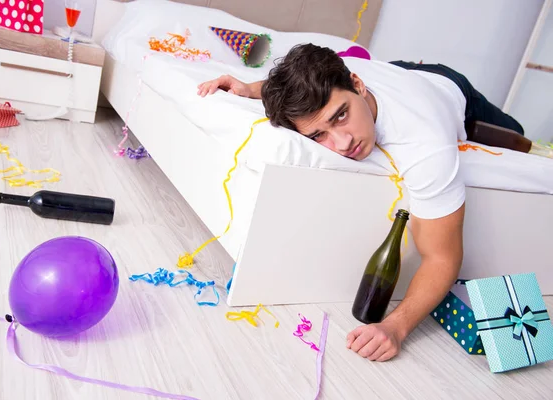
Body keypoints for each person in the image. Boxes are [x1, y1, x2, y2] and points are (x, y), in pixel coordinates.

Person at [196, 44, 525, 362]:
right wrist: (249, 88)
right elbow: (288, 87)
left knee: (517, 133)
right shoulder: (329, 80)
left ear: (358, 85)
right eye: (318, 136)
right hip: (398, 72)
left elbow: (442, 257)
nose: (343, 143)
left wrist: (395, 326)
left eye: (341, 116)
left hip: (452, 88)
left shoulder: (426, 146)